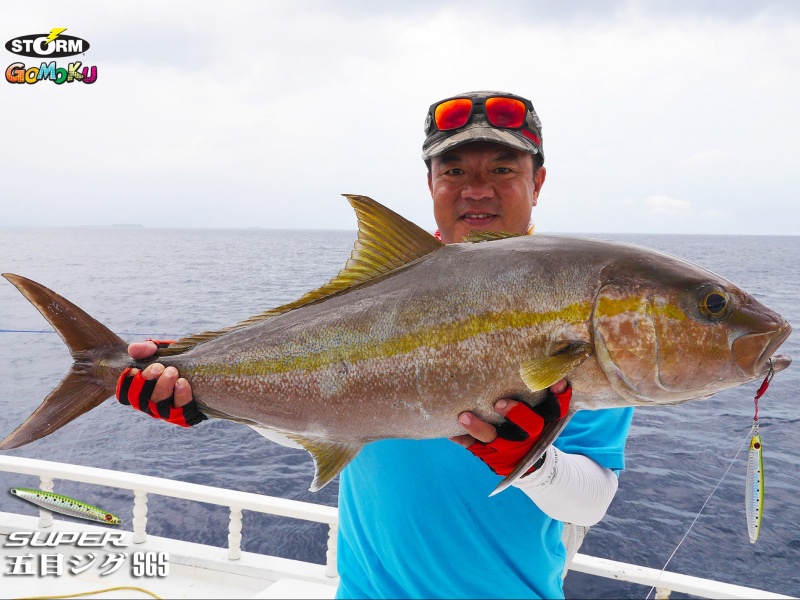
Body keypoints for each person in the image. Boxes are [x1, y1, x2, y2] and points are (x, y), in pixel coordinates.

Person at [118, 90, 634, 599]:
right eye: (454, 171)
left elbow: (588, 504)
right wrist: (199, 395)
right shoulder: (372, 297)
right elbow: (324, 410)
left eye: (502, 170)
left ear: (537, 182)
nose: (477, 190)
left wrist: (532, 461)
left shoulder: (580, 309)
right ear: (431, 182)